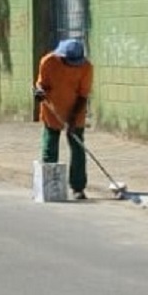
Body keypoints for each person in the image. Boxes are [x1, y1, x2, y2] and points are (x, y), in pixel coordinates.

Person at [34, 38, 94, 200]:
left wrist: (73, 119)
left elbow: (83, 95)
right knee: (50, 146)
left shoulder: (86, 68)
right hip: (52, 110)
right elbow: (41, 85)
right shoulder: (48, 62)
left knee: (77, 148)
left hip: (76, 111)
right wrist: (39, 93)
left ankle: (78, 187)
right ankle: (49, 185)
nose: (73, 65)